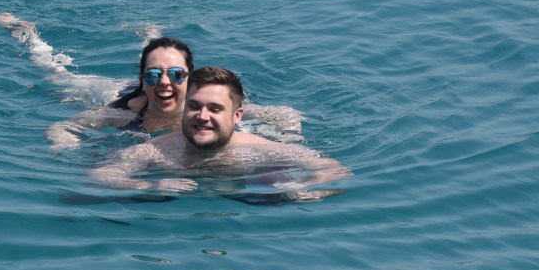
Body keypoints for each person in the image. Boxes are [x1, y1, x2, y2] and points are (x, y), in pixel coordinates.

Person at [0, 13, 304, 150]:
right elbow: (62, 127)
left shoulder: (208, 105)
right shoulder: (122, 112)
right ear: (144, 81)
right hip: (112, 91)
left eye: (177, 75)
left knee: (160, 55)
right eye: (154, 76)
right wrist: (68, 146)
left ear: (190, 79)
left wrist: (289, 138)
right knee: (56, 75)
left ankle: (151, 37)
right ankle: (26, 33)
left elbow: (286, 113)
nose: (165, 83)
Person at [90, 67, 351, 201]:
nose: (202, 116)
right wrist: (149, 185)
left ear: (237, 116)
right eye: (194, 106)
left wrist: (302, 188)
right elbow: (100, 177)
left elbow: (336, 171)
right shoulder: (155, 150)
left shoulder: (263, 150)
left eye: (215, 109)